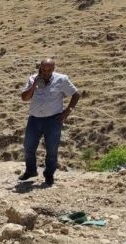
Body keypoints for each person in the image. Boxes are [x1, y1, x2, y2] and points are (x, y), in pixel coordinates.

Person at [18, 58, 80, 186]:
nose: (46, 73)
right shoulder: (33, 79)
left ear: (53, 69)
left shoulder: (61, 79)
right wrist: (34, 85)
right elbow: (24, 98)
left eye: (49, 70)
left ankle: (49, 174)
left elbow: (76, 94)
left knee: (52, 149)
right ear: (40, 68)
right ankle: (31, 170)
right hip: (34, 119)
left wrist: (68, 111)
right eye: (44, 70)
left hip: (53, 120)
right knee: (28, 146)